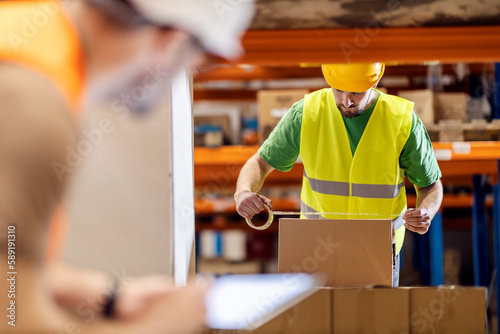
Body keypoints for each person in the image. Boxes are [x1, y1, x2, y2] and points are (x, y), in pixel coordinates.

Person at [0, 0, 253, 332]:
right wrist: (160, 326)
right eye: (199, 55)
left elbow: (13, 268)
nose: (193, 67)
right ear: (171, 40)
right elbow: (13, 319)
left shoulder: (29, 48)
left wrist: (110, 297)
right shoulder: (33, 104)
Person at [234, 63, 443, 287]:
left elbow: (431, 185)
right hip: (316, 248)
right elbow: (260, 162)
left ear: (375, 83)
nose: (346, 101)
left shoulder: (403, 120)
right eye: (338, 90)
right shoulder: (306, 113)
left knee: (375, 321)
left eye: (356, 92)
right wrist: (243, 193)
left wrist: (426, 212)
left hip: (379, 250)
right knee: (319, 321)